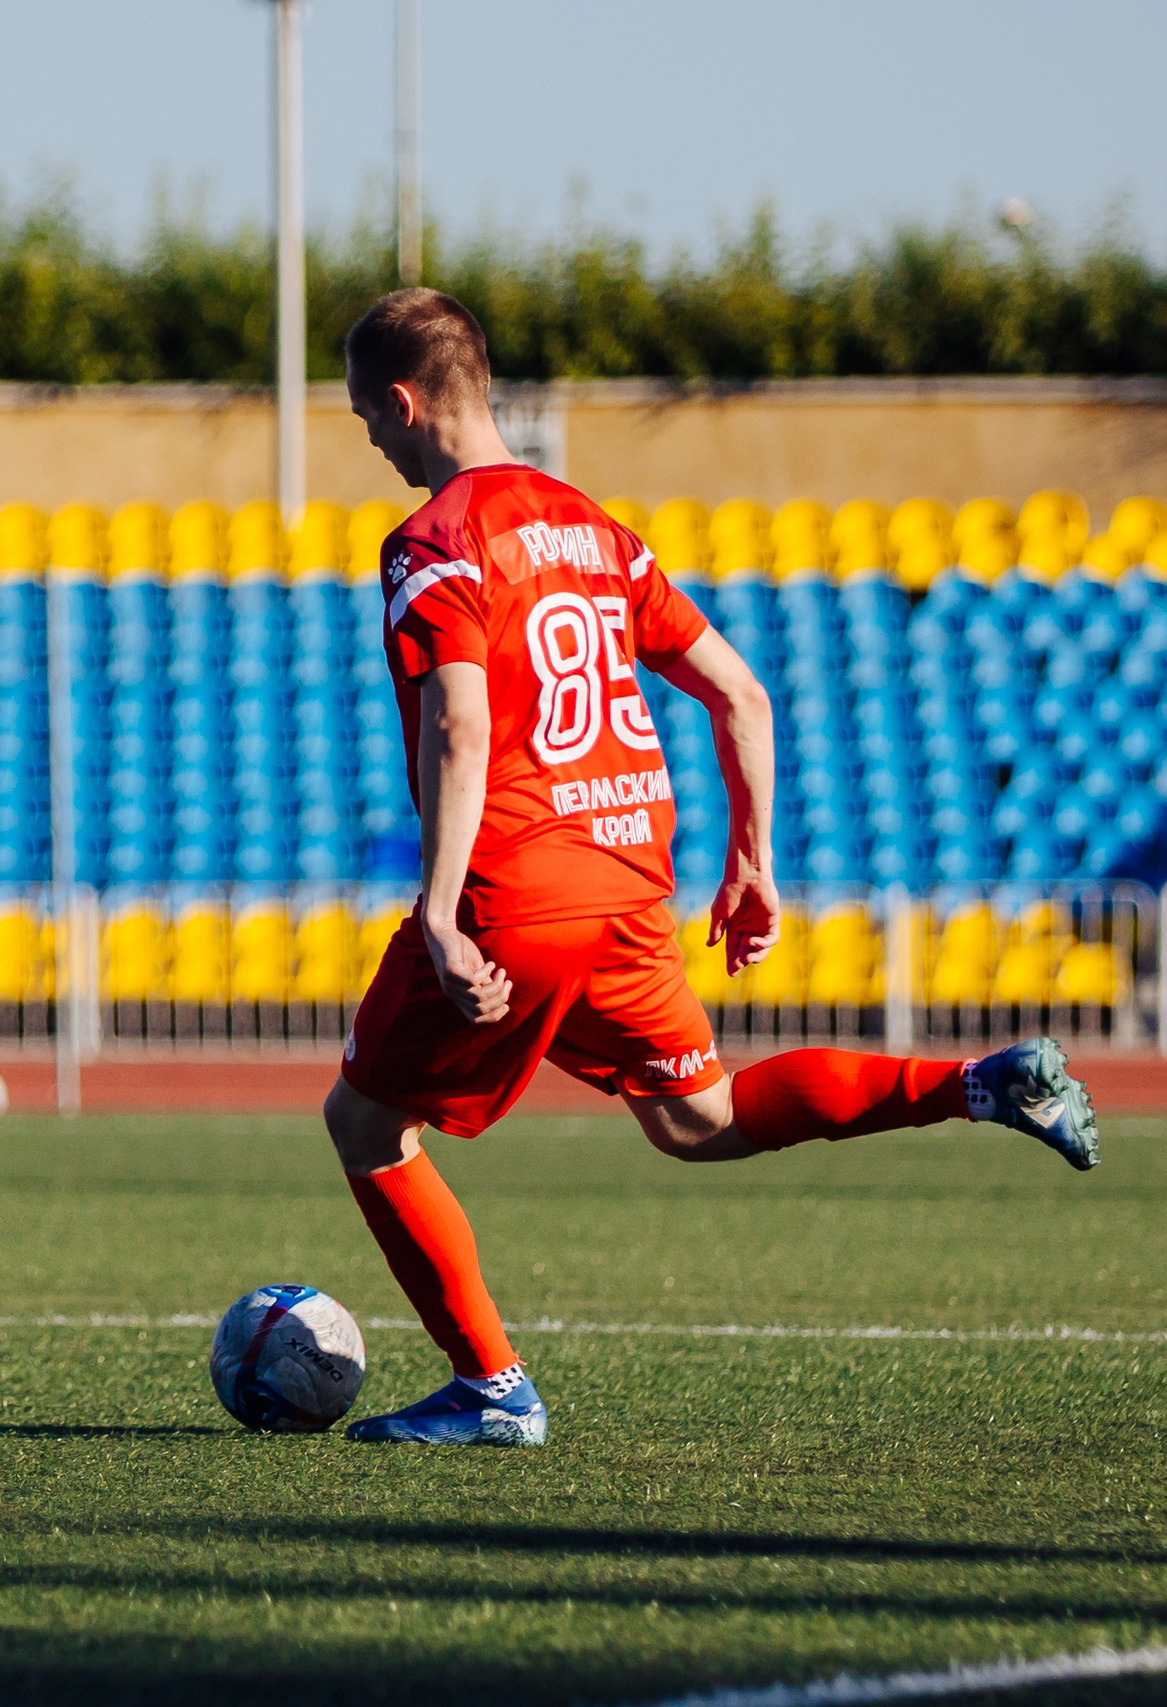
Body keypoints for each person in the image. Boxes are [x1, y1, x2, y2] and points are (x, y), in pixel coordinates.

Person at [325, 289, 1099, 1447]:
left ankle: (493, 1389)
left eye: (365, 419)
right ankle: (978, 1084)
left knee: (365, 1123)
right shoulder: (594, 529)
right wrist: (752, 861)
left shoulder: (435, 541)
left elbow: (460, 728)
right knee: (697, 1116)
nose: (372, 444)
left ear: (403, 399)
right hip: (631, 875)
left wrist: (439, 914)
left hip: (518, 884)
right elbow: (739, 692)